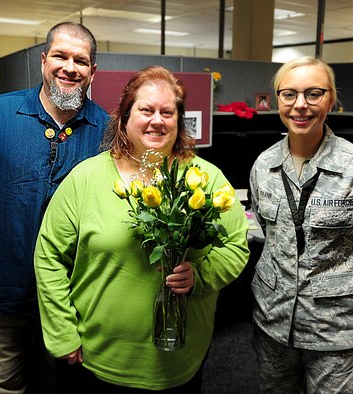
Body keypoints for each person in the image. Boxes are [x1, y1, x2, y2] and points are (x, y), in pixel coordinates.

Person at [34, 65, 250, 392]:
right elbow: (48, 257)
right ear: (124, 118)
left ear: (179, 121)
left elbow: (235, 246)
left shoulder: (207, 178)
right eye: (146, 110)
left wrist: (200, 275)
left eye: (167, 112)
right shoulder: (85, 178)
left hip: (177, 358)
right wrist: (62, 332)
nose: (157, 120)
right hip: (98, 356)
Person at [0, 21, 110, 393]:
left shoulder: (108, 132)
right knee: (1, 386)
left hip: (72, 297)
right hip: (0, 286)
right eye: (60, 56)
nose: (69, 67)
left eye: (81, 60)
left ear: (93, 71)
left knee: (61, 385)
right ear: (44, 61)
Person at [249, 56, 353, 393]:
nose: (300, 105)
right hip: (274, 325)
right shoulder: (263, 166)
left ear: (331, 98)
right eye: (289, 94)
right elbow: (270, 232)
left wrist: (338, 285)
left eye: (313, 94)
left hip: (338, 333)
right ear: (278, 99)